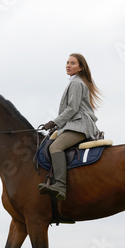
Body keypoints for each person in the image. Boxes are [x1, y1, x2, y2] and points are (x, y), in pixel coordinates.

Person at [38, 53, 102, 200]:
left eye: (73, 63)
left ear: (80, 68)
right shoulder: (75, 82)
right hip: (73, 124)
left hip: (80, 125)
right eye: (67, 62)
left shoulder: (76, 83)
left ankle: (60, 185)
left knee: (55, 147)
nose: (68, 65)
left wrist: (54, 122)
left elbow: (72, 108)